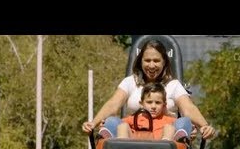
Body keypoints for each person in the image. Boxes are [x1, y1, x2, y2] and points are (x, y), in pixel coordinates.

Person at [82, 39, 215, 140]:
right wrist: (93, 123)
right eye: (147, 60)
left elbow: (188, 108)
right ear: (141, 62)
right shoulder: (130, 82)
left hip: (165, 135)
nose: (151, 65)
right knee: (112, 122)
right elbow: (113, 104)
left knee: (183, 122)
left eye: (156, 61)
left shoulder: (173, 85)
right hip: (133, 136)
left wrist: (204, 126)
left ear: (164, 62)